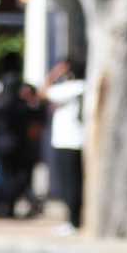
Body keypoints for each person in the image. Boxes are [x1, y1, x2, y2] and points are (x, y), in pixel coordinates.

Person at [44, 57, 86, 232]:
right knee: (70, 182)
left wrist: (54, 74)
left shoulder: (75, 87)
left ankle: (74, 221)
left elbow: (43, 92)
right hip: (68, 141)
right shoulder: (78, 87)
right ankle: (72, 220)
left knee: (71, 183)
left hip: (70, 141)